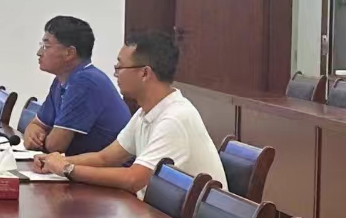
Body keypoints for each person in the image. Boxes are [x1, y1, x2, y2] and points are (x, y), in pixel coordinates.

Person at [33, 30, 227, 195]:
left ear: (144, 73)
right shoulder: (146, 112)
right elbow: (106, 158)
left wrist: (68, 169)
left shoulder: (174, 118)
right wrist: (54, 161)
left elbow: (134, 179)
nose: (116, 74)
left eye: (120, 67)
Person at [22, 15, 130, 156]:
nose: (39, 53)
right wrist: (32, 133)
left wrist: (40, 139)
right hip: (83, 164)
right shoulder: (61, 80)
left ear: (69, 53)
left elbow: (55, 146)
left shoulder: (85, 82)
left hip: (109, 167)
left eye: (46, 46)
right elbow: (37, 124)